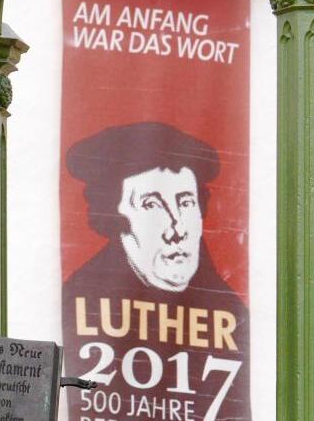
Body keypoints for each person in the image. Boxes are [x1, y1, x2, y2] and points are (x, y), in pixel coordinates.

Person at [62, 122, 250, 419]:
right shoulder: (74, 301)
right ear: (113, 218)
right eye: (152, 205)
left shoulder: (233, 314)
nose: (176, 229)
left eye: (186, 202)